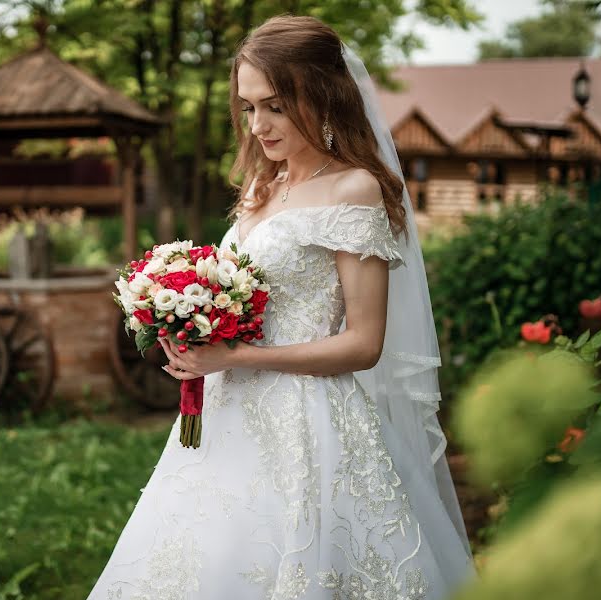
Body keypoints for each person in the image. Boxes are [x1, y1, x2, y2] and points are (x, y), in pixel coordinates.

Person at [87, 14, 476, 600]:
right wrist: (189, 326)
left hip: (307, 423)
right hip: (225, 416)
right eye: (248, 108)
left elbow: (364, 343)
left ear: (321, 96)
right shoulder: (261, 187)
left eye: (273, 105)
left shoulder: (354, 189)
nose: (258, 125)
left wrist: (236, 356)